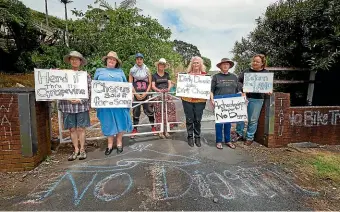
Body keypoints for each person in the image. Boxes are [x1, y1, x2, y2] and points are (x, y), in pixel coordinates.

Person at [94, 51, 133, 155]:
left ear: (116, 62)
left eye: (114, 59)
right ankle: (110, 144)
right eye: (110, 58)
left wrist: (130, 96)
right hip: (105, 104)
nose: (111, 60)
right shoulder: (99, 71)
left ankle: (119, 142)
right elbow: (94, 87)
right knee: (107, 122)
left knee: (121, 121)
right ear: (106, 60)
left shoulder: (120, 72)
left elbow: (125, 86)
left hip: (119, 103)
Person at [59, 51, 91, 161]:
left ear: (80, 62)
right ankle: (75, 149)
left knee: (81, 128)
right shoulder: (63, 74)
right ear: (69, 61)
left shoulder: (85, 76)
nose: (74, 61)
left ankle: (82, 149)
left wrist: (80, 100)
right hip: (67, 105)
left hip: (81, 106)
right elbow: (58, 89)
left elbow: (89, 91)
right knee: (72, 129)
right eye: (72, 59)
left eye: (77, 59)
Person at [235, 54, 270, 146]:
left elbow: (268, 86)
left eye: (257, 62)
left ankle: (250, 137)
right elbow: (239, 81)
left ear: (262, 63)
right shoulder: (246, 71)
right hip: (244, 97)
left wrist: (268, 90)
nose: (254, 63)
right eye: (254, 61)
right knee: (240, 117)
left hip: (257, 99)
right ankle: (239, 134)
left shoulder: (266, 73)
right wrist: (242, 90)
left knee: (253, 119)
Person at [211, 58, 241, 149]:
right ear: (220, 66)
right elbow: (211, 90)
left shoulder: (234, 77)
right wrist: (212, 100)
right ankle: (219, 141)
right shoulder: (216, 77)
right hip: (219, 103)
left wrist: (241, 99)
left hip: (230, 104)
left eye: (227, 64)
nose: (225, 66)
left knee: (228, 123)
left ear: (229, 66)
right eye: (223, 64)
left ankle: (228, 140)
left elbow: (238, 91)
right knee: (219, 123)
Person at [181, 56, 207, 147]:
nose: (196, 64)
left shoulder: (205, 75)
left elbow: (207, 88)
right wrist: (179, 80)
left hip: (200, 101)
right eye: (194, 63)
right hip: (187, 100)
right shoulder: (187, 75)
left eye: (197, 63)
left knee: (197, 119)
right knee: (189, 118)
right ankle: (190, 136)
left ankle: (197, 136)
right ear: (191, 64)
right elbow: (182, 86)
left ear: (201, 64)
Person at [129, 53, 155, 138]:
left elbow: (150, 83)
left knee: (149, 110)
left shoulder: (147, 69)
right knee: (136, 111)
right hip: (136, 92)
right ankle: (135, 129)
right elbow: (130, 83)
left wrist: (146, 93)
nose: (139, 60)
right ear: (136, 60)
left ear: (143, 60)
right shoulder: (132, 70)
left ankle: (153, 126)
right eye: (137, 59)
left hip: (145, 92)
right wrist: (135, 93)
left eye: (140, 59)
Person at [151, 58, 177, 138]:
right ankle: (160, 131)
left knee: (169, 112)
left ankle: (167, 130)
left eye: (163, 65)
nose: (161, 66)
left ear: (164, 66)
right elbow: (153, 86)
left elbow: (169, 84)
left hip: (166, 94)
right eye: (160, 64)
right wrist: (158, 90)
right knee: (159, 113)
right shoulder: (154, 75)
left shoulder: (167, 74)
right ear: (158, 66)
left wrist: (168, 89)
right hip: (158, 95)